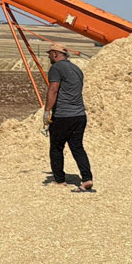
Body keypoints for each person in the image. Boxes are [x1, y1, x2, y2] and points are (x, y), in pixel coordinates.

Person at [44, 44, 94, 192]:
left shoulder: (56, 68)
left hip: (63, 116)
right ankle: (87, 179)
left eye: (50, 54)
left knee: (56, 148)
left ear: (55, 54)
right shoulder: (77, 69)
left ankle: (59, 180)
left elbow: (53, 90)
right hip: (80, 115)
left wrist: (47, 112)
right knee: (77, 147)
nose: (48, 57)